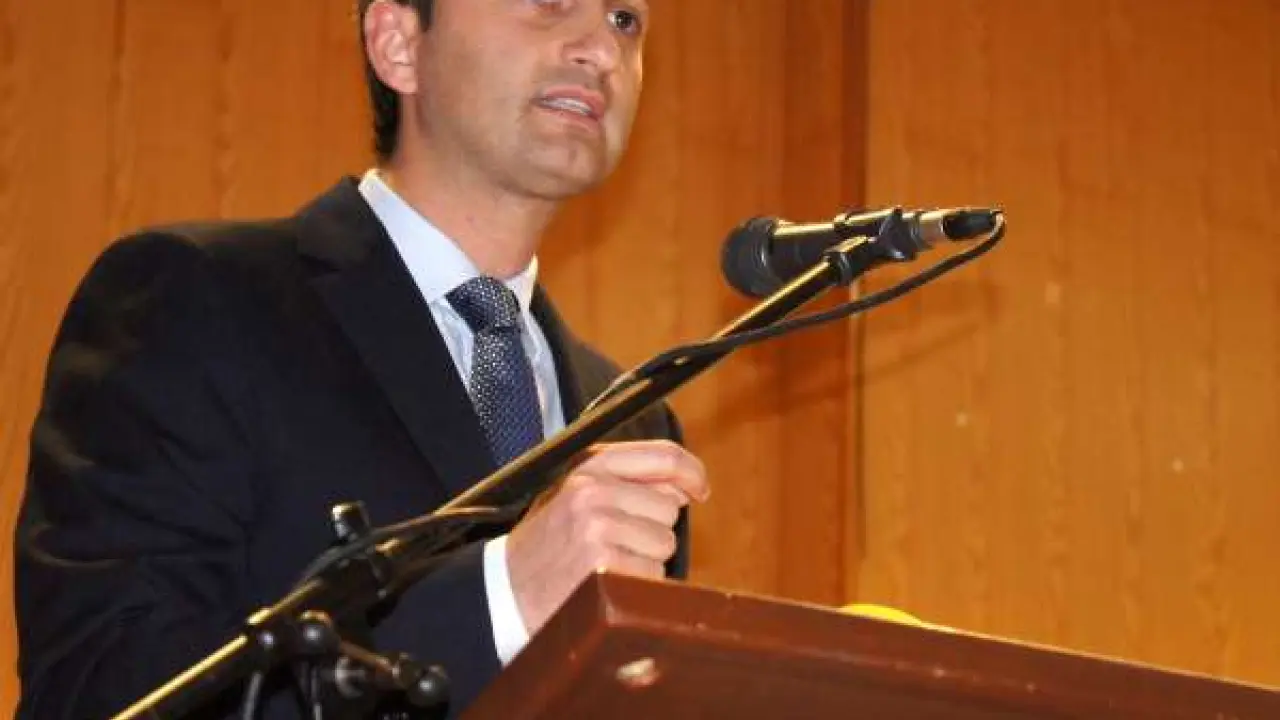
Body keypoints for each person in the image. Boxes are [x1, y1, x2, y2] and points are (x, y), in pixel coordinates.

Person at [13, 0, 708, 717]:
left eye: (625, 19)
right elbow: (96, 687)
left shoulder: (635, 421)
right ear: (398, 43)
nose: (601, 49)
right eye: (550, 2)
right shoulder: (194, 300)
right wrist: (499, 598)